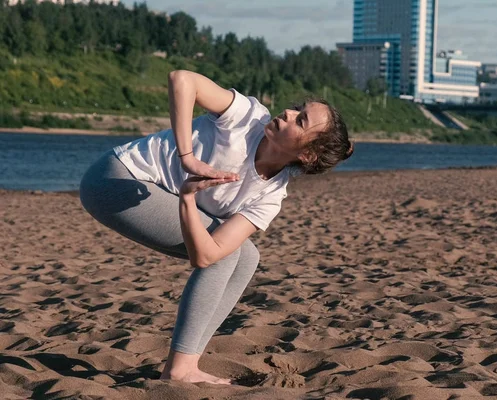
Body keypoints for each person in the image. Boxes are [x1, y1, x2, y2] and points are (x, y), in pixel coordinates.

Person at [79, 70, 354, 385]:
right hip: (116, 179)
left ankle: (186, 364)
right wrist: (187, 158)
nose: (288, 113)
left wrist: (187, 199)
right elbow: (182, 79)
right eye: (297, 109)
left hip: (158, 194)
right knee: (226, 256)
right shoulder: (245, 118)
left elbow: (205, 256)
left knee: (246, 256)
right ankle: (180, 369)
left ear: (306, 154)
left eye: (301, 120)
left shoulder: (270, 196)